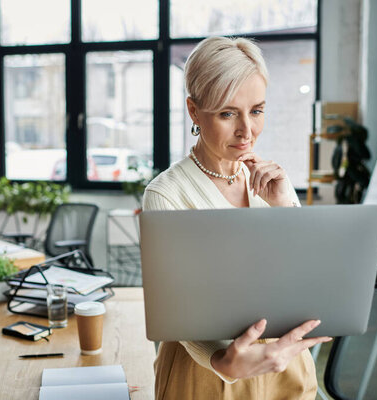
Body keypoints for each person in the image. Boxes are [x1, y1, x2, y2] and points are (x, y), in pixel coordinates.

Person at [142, 36, 332, 399]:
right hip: (208, 375)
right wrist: (222, 361)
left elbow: (307, 274)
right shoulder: (166, 194)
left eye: (257, 110)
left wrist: (283, 209)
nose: (247, 130)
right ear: (194, 111)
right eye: (228, 113)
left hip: (284, 366)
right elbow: (177, 312)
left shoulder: (272, 180)